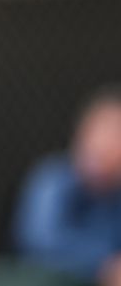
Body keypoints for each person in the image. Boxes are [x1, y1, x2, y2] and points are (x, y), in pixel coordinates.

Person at [15, 87, 121, 286]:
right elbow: (39, 241)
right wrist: (103, 265)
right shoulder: (52, 180)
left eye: (116, 135)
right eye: (103, 132)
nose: (108, 144)